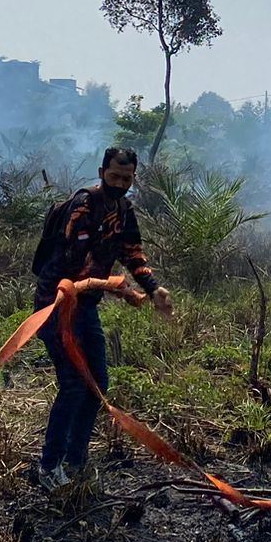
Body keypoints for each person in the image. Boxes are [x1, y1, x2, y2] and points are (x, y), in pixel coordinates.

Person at [33, 146, 171, 489]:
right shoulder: (82, 207)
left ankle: (75, 461)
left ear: (133, 178)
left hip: (87, 307)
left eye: (126, 178)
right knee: (74, 384)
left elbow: (132, 252)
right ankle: (49, 467)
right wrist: (121, 289)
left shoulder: (124, 211)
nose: (120, 184)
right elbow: (75, 267)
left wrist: (153, 289)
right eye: (114, 177)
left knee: (98, 385)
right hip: (57, 306)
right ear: (101, 172)